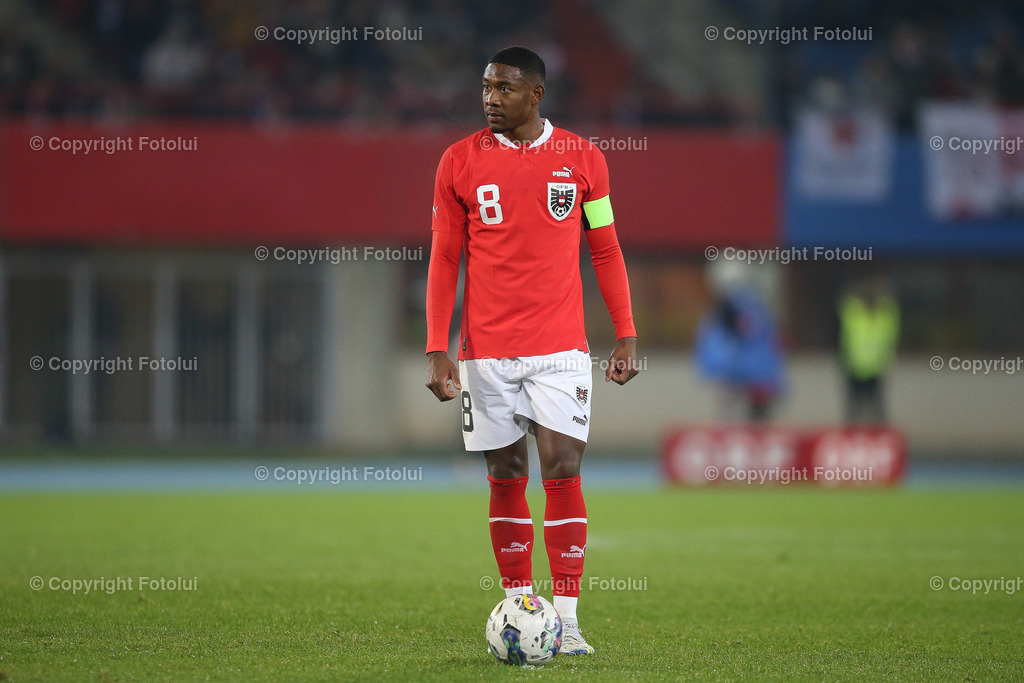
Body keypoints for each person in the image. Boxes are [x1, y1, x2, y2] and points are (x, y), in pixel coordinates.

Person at [424, 46, 640, 656]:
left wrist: (625, 333)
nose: (491, 98)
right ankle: (522, 607)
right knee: (505, 474)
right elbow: (445, 256)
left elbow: (605, 248)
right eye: (486, 87)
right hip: (485, 350)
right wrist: (436, 347)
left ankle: (566, 620)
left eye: (504, 88)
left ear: (536, 93)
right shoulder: (458, 161)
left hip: (561, 348)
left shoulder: (585, 159)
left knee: (563, 467)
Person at [694, 283, 785, 422]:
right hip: (732, 370)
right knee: (728, 406)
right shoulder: (722, 318)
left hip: (754, 372)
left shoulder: (757, 312)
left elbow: (769, 346)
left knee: (756, 412)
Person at [838, 276, 900, 424]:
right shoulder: (854, 312)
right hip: (854, 365)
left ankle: (878, 431)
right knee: (855, 407)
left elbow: (891, 330)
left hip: (876, 366)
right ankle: (853, 432)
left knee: (876, 407)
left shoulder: (885, 314)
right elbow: (844, 300)